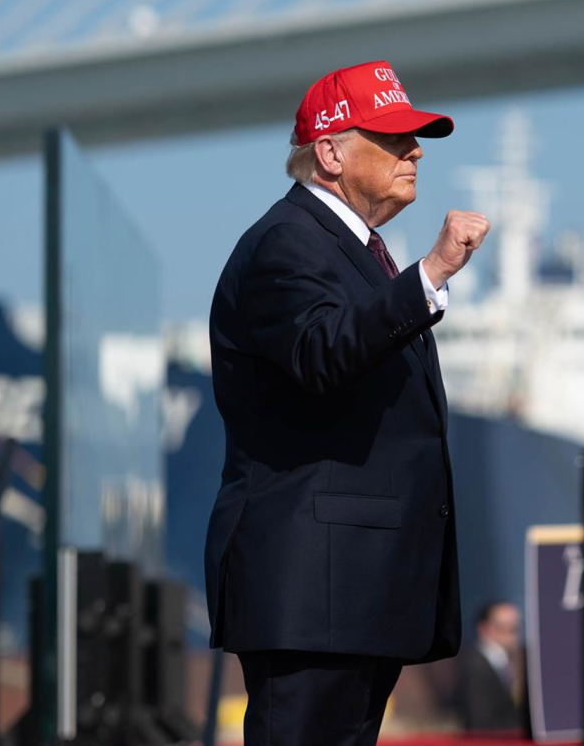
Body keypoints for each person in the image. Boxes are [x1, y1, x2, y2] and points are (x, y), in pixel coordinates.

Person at [203, 60, 490, 746]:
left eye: (413, 139)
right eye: (392, 138)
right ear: (329, 153)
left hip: (351, 590)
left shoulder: (352, 250)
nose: (415, 152)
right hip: (314, 591)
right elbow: (320, 351)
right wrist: (431, 274)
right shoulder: (286, 240)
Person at [456, 601, 523, 731]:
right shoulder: (475, 665)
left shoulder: (507, 662)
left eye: (515, 628)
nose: (512, 636)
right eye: (503, 628)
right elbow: (479, 719)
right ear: (484, 629)